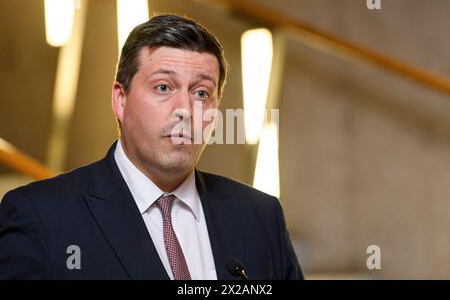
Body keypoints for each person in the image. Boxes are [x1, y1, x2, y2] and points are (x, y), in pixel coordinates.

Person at [0, 14, 302, 279]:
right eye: (163, 87)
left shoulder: (261, 216)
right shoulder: (40, 215)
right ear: (121, 99)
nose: (185, 108)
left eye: (201, 93)